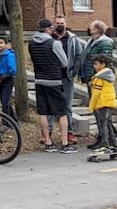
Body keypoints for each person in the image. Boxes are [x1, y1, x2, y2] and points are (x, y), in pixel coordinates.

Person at [28, 19, 75, 153]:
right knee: (61, 113)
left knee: (44, 112)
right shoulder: (54, 43)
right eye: (52, 28)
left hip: (39, 80)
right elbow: (64, 62)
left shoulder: (31, 43)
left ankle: (48, 142)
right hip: (54, 81)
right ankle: (65, 143)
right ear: (48, 29)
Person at [48, 15, 83, 146]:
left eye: (62, 23)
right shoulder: (49, 39)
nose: (60, 25)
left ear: (65, 24)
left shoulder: (73, 39)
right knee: (51, 107)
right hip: (52, 77)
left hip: (66, 77)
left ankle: (69, 132)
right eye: (57, 23)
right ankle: (48, 133)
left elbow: (79, 55)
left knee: (67, 106)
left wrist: (74, 71)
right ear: (54, 24)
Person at [87, 55, 117, 153]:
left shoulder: (99, 78)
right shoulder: (108, 75)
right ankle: (113, 144)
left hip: (102, 102)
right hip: (108, 102)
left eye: (96, 64)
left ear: (103, 64)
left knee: (103, 124)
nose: (94, 66)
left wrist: (91, 106)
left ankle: (105, 145)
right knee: (108, 123)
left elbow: (96, 94)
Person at [80, 20, 114, 97]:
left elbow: (106, 61)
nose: (89, 28)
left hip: (98, 78)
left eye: (91, 26)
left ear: (96, 29)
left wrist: (98, 77)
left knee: (99, 101)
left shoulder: (105, 43)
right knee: (93, 101)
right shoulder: (91, 42)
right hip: (90, 76)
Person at [0, 37, 17, 118]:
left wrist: (1, 78)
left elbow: (12, 70)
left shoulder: (9, 55)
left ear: (6, 44)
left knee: (5, 102)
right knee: (4, 101)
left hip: (7, 80)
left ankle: (5, 122)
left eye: (1, 43)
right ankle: (14, 120)